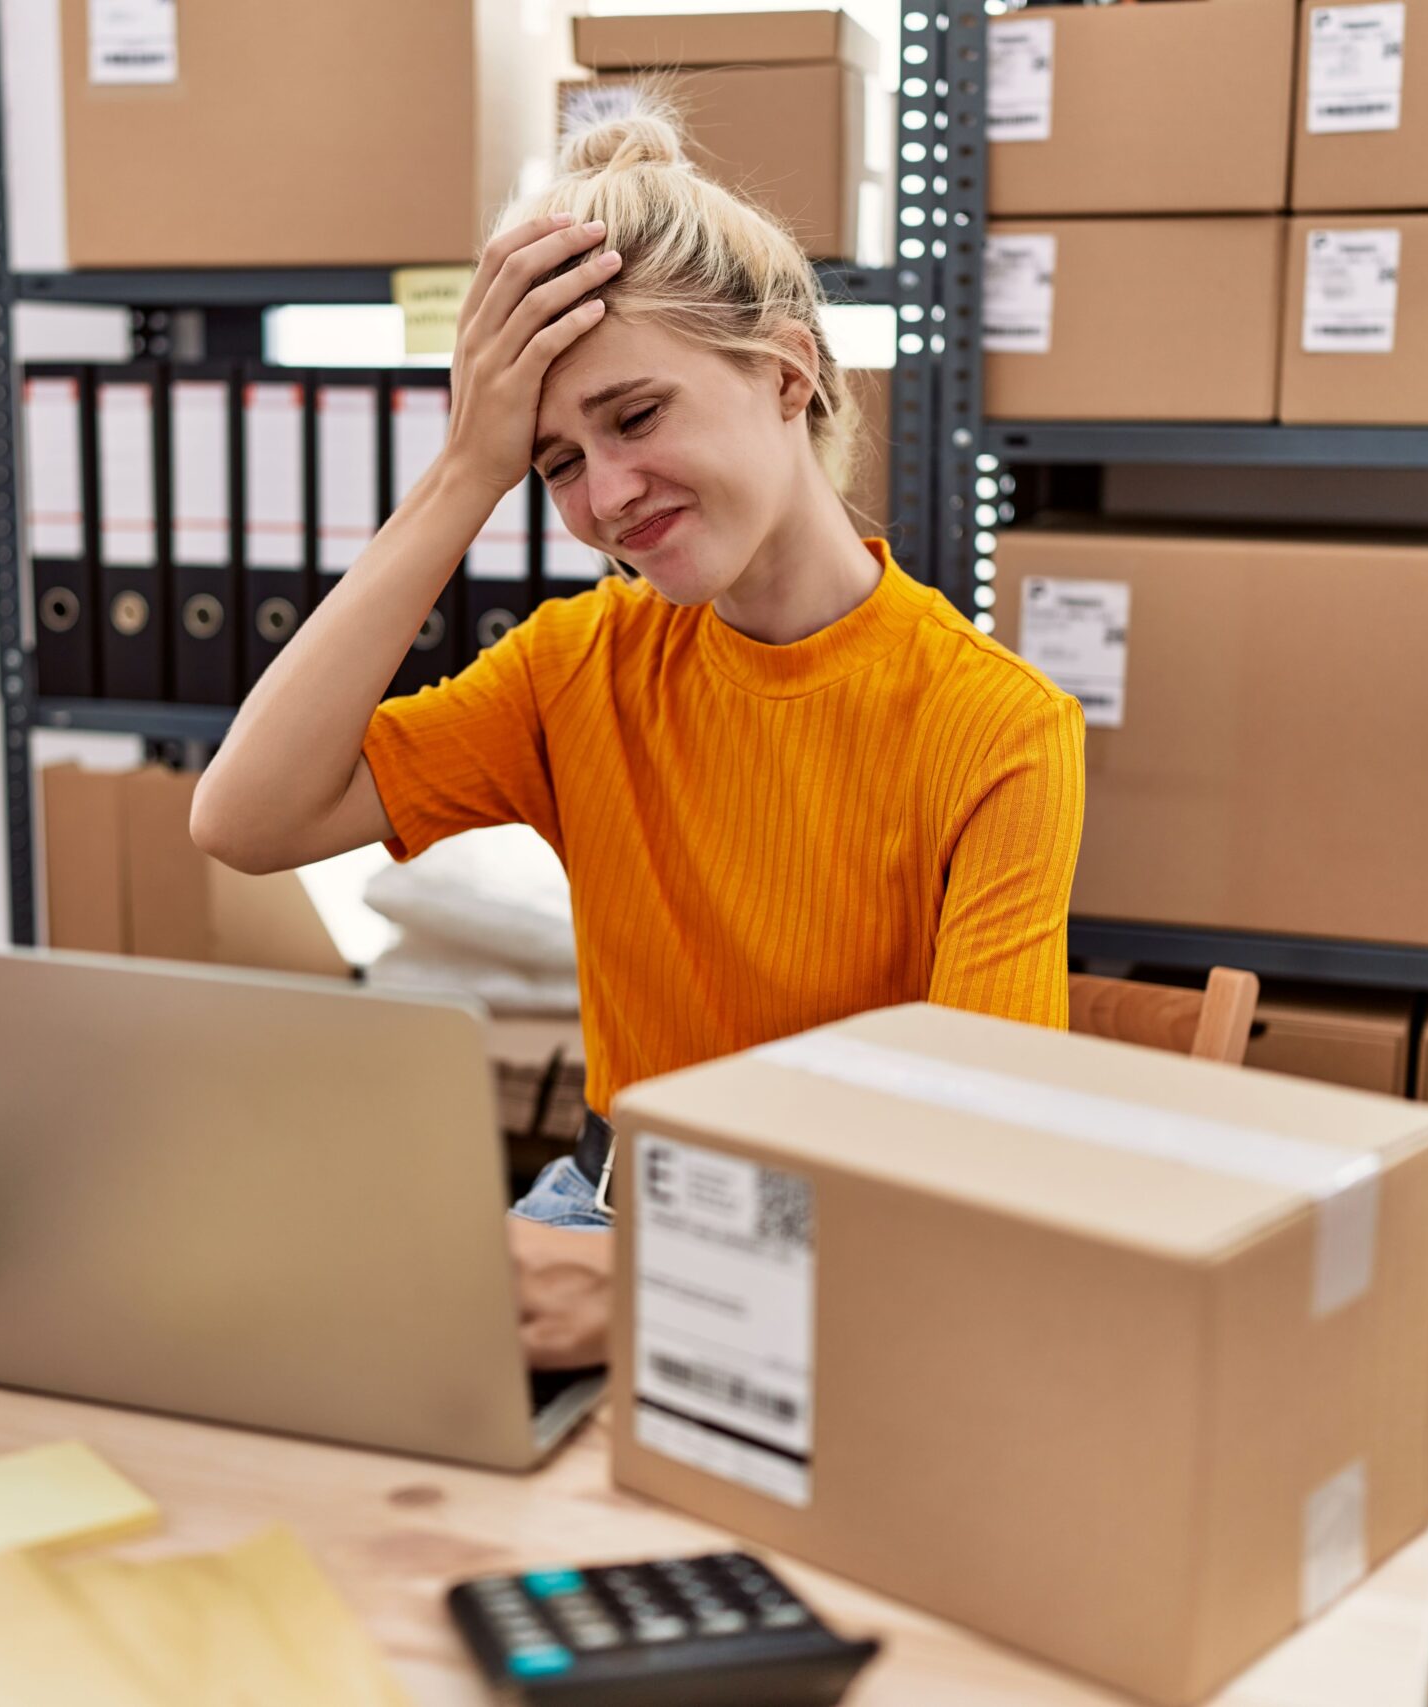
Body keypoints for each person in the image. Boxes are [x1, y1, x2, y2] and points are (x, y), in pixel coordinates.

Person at [191, 97, 1085, 1371]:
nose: (606, 499)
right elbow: (245, 818)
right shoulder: (582, 667)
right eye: (554, 463)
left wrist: (657, 1302)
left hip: (862, 1288)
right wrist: (463, 472)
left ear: (788, 373)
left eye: (634, 417)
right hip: (601, 1224)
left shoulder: (994, 724)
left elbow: (979, 1168)